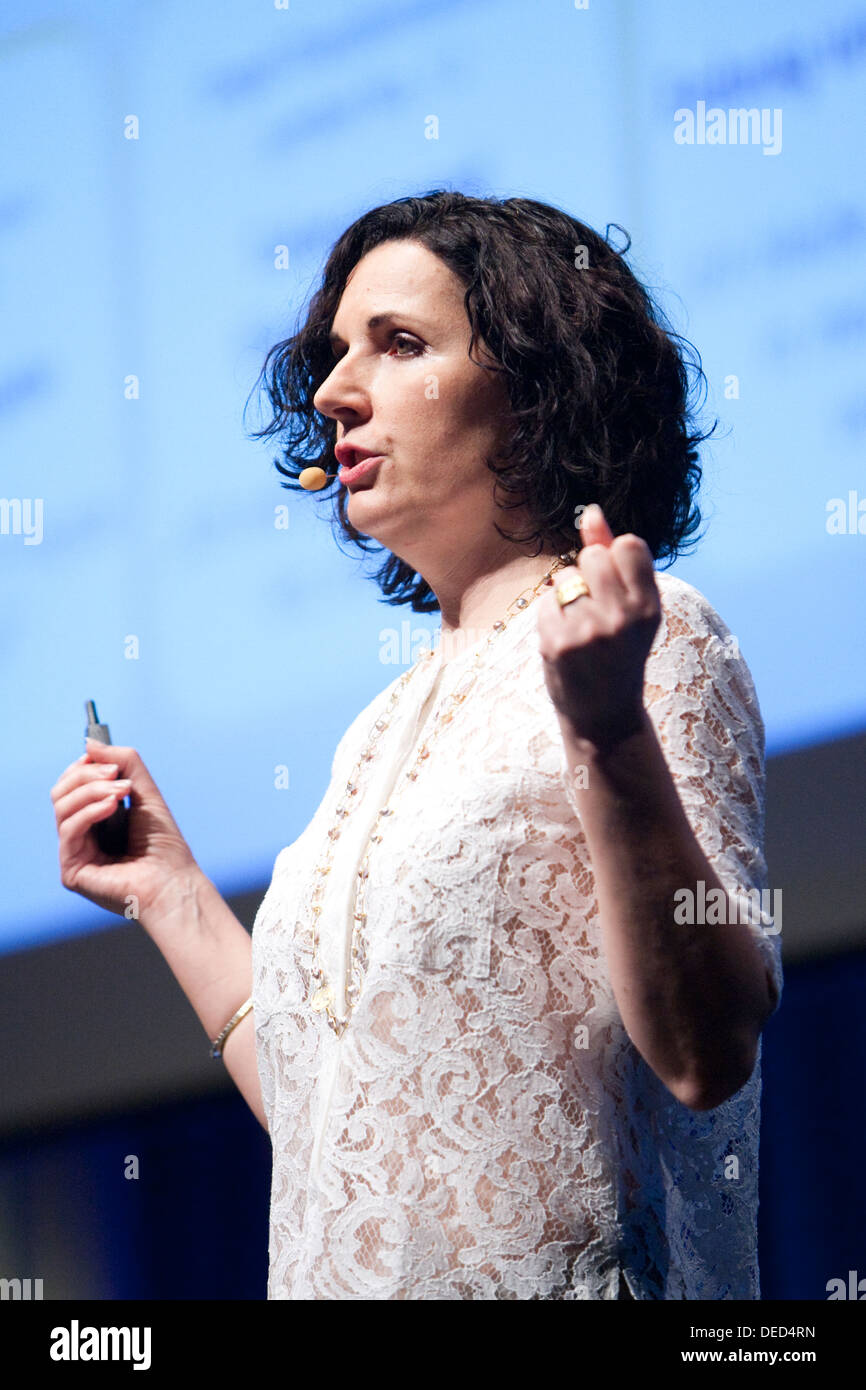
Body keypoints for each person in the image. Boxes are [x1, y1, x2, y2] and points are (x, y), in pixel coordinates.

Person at [51, 190, 782, 1301]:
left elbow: (703, 1052)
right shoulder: (372, 733)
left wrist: (606, 729)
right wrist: (173, 895)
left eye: (397, 345)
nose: (334, 391)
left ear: (537, 390)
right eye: (337, 354)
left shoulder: (654, 631)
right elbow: (335, 1118)